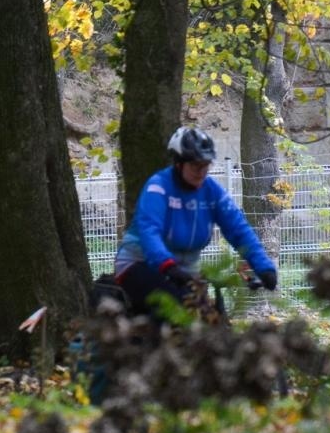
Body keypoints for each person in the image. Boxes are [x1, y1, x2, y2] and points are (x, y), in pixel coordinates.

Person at [112, 126, 278, 315]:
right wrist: (167, 265)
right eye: (195, 166)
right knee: (176, 310)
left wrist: (264, 267)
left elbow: (239, 230)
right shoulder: (158, 187)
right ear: (178, 163)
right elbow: (150, 231)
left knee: (210, 319)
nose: (201, 171)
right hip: (140, 263)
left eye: (205, 165)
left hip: (184, 271)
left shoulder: (211, 191)